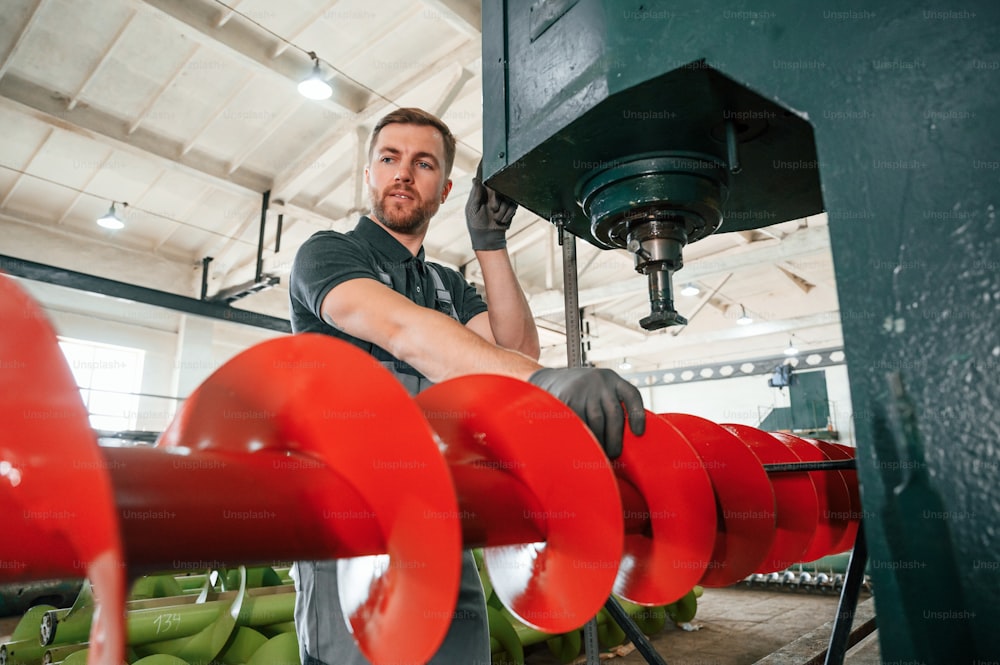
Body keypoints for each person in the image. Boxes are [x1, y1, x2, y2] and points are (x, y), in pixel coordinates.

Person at [288, 107, 645, 665]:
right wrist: (543, 384)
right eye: (389, 159)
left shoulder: (446, 284)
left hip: (440, 522)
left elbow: (516, 352)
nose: (403, 173)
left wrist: (490, 243)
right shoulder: (329, 253)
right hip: (350, 532)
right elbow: (403, 330)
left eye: (422, 163)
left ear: (445, 187)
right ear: (368, 173)